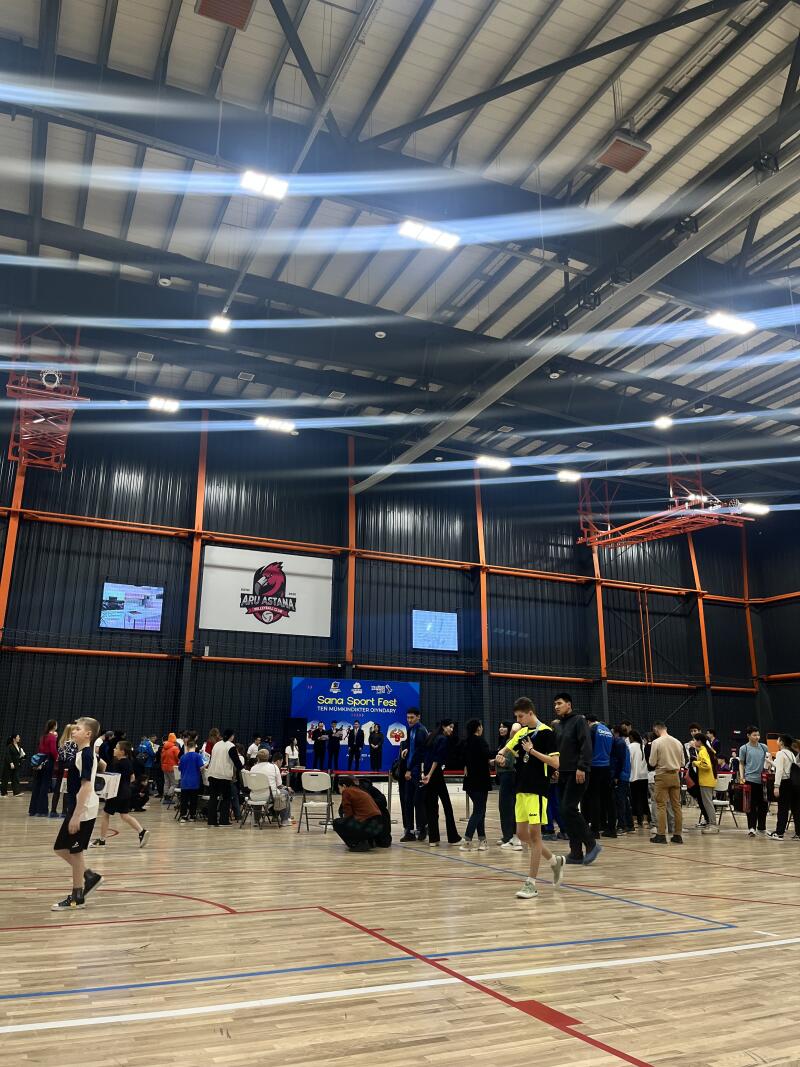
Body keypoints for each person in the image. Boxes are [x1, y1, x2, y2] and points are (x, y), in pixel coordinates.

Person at [496, 697, 566, 899]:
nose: (518, 720)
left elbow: (555, 763)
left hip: (537, 790)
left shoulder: (546, 733)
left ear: (530, 713)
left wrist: (532, 751)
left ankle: (531, 884)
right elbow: (507, 748)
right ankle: (554, 861)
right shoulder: (523, 733)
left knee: (535, 837)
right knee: (522, 835)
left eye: (520, 716)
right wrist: (501, 755)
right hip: (521, 790)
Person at [51, 717, 103, 911]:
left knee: (75, 850)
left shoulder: (87, 755)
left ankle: (77, 896)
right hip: (79, 806)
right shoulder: (82, 754)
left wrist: (76, 815)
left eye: (78, 729)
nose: (73, 731)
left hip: (84, 809)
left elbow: (87, 786)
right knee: (60, 848)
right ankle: (89, 875)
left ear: (88, 734)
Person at [554, 693, 600, 865]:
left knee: (569, 808)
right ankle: (575, 852)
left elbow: (586, 745)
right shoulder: (558, 726)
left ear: (569, 704)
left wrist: (582, 767)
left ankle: (591, 843)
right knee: (565, 811)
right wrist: (555, 767)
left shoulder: (579, 721)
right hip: (563, 773)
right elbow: (558, 750)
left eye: (559, 703)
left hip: (577, 772)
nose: (556, 707)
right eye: (555, 704)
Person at [90, 741, 149, 848]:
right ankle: (142, 831)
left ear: (122, 752)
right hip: (126, 792)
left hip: (116, 793)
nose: (114, 750)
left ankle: (102, 840)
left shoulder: (118, 763)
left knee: (105, 814)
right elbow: (132, 777)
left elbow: (112, 777)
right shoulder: (128, 762)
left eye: (116, 748)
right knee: (124, 815)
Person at [421, 720, 461, 847]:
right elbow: (437, 759)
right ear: (444, 727)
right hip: (435, 774)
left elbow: (424, 757)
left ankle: (433, 838)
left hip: (427, 773)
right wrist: (430, 775)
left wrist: (424, 773)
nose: (451, 730)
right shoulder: (442, 739)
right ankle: (453, 837)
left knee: (431, 806)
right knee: (447, 805)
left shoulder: (431, 737)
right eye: (450, 727)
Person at [649, 721, 684, 844]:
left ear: (656, 730)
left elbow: (652, 762)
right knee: (676, 806)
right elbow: (683, 763)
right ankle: (677, 835)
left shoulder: (656, 742)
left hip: (662, 776)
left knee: (661, 805)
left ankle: (661, 835)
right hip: (675, 776)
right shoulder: (678, 742)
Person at [460, 719, 492, 851]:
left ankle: (482, 840)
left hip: (470, 783)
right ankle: (467, 839)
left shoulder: (465, 742)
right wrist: (502, 751)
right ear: (478, 728)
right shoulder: (480, 741)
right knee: (479, 811)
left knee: (480, 811)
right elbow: (488, 755)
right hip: (480, 782)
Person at [584, 713, 615, 838]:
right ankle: (612, 829)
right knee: (609, 799)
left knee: (594, 798)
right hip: (606, 767)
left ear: (588, 722)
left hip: (594, 767)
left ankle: (595, 830)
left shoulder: (592, 730)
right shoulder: (607, 730)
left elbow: (587, 748)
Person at [399, 708, 428, 842]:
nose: (409, 720)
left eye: (412, 717)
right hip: (410, 771)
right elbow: (411, 747)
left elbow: (421, 752)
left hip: (417, 772)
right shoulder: (411, 730)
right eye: (408, 717)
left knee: (418, 802)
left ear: (418, 717)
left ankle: (422, 829)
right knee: (408, 801)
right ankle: (409, 831)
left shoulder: (421, 731)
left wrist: (410, 769)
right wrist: (406, 749)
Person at [332, 775, 384, 851]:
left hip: (367, 825)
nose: (340, 791)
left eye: (339, 788)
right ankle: (366, 841)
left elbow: (348, 814)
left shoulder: (347, 791)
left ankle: (356, 844)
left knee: (337, 823)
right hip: (378, 824)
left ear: (344, 786)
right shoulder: (360, 790)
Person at [739, 726, 771, 837]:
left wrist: (769, 767)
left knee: (763, 805)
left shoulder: (764, 747)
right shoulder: (744, 748)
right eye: (754, 735)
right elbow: (741, 763)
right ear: (748, 736)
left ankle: (762, 828)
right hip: (750, 780)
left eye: (758, 735)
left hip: (763, 781)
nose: (757, 737)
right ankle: (751, 828)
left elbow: (768, 761)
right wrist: (742, 776)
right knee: (750, 806)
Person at [206, 728, 243, 827]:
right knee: (226, 798)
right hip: (223, 776)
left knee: (213, 798)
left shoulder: (217, 745)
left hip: (212, 774)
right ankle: (223, 820)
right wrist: (243, 769)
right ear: (232, 736)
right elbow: (236, 761)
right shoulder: (231, 746)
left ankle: (211, 821)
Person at [495, 721, 521, 850]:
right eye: (500, 726)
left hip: (509, 776)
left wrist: (499, 761)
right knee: (507, 807)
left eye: (504, 727)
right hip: (506, 776)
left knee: (506, 807)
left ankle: (509, 836)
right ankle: (509, 836)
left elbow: (509, 762)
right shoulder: (504, 741)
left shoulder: (512, 742)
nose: (502, 729)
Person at [250, 749, 292, 825]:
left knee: (258, 793)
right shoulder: (274, 767)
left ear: (258, 758)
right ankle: (285, 820)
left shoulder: (253, 768)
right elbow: (279, 784)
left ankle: (256, 820)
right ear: (269, 757)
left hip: (254, 796)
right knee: (285, 793)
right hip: (269, 795)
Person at [690, 732, 720, 834]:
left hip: (706, 781)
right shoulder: (707, 750)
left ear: (699, 741)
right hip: (709, 780)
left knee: (708, 803)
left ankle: (713, 825)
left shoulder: (703, 751)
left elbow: (706, 765)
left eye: (695, 740)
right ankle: (711, 823)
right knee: (708, 803)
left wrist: (695, 762)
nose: (694, 742)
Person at [768, 734, 797, 840]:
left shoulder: (780, 753)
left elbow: (780, 771)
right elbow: (785, 767)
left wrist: (776, 786)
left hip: (784, 783)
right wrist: (771, 761)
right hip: (793, 783)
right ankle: (798, 833)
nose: (777, 741)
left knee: (783, 809)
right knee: (795, 809)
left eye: (778, 740)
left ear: (781, 742)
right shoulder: (792, 754)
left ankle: (779, 833)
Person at [29, 719, 59, 817]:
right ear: (54, 726)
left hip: (40, 761)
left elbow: (40, 749)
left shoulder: (43, 736)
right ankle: (42, 810)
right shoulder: (52, 737)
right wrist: (57, 760)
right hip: (48, 761)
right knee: (45, 786)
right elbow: (53, 751)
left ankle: (33, 810)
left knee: (37, 785)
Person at [50, 723, 76, 818]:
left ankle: (53, 811)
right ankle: (64, 811)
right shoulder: (72, 743)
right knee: (66, 789)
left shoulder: (61, 742)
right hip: (69, 767)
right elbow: (73, 756)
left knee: (57, 788)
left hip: (61, 766)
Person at [610, 725, 632, 834]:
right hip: (625, 775)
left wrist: (616, 776)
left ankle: (622, 826)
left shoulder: (619, 743)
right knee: (625, 801)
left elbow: (620, 761)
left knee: (620, 801)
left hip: (621, 776)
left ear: (616, 733)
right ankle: (629, 824)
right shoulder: (623, 744)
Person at [178, 739, 205, 822]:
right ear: (195, 746)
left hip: (184, 782)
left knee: (184, 800)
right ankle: (192, 816)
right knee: (193, 800)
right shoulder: (198, 756)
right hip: (194, 782)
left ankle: (183, 815)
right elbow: (201, 768)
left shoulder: (183, 757)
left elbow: (179, 768)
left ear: (187, 747)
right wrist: (205, 766)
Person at [628, 730, 650, 829]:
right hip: (644, 777)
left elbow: (628, 762)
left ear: (631, 737)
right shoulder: (644, 746)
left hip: (634, 777)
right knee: (644, 798)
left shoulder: (630, 747)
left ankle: (635, 820)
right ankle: (645, 820)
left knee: (634, 799)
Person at [160, 732, 180, 800]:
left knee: (167, 782)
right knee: (175, 783)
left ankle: (165, 794)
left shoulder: (164, 748)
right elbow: (178, 758)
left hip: (164, 768)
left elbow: (161, 759)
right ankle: (168, 796)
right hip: (172, 768)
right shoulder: (175, 748)